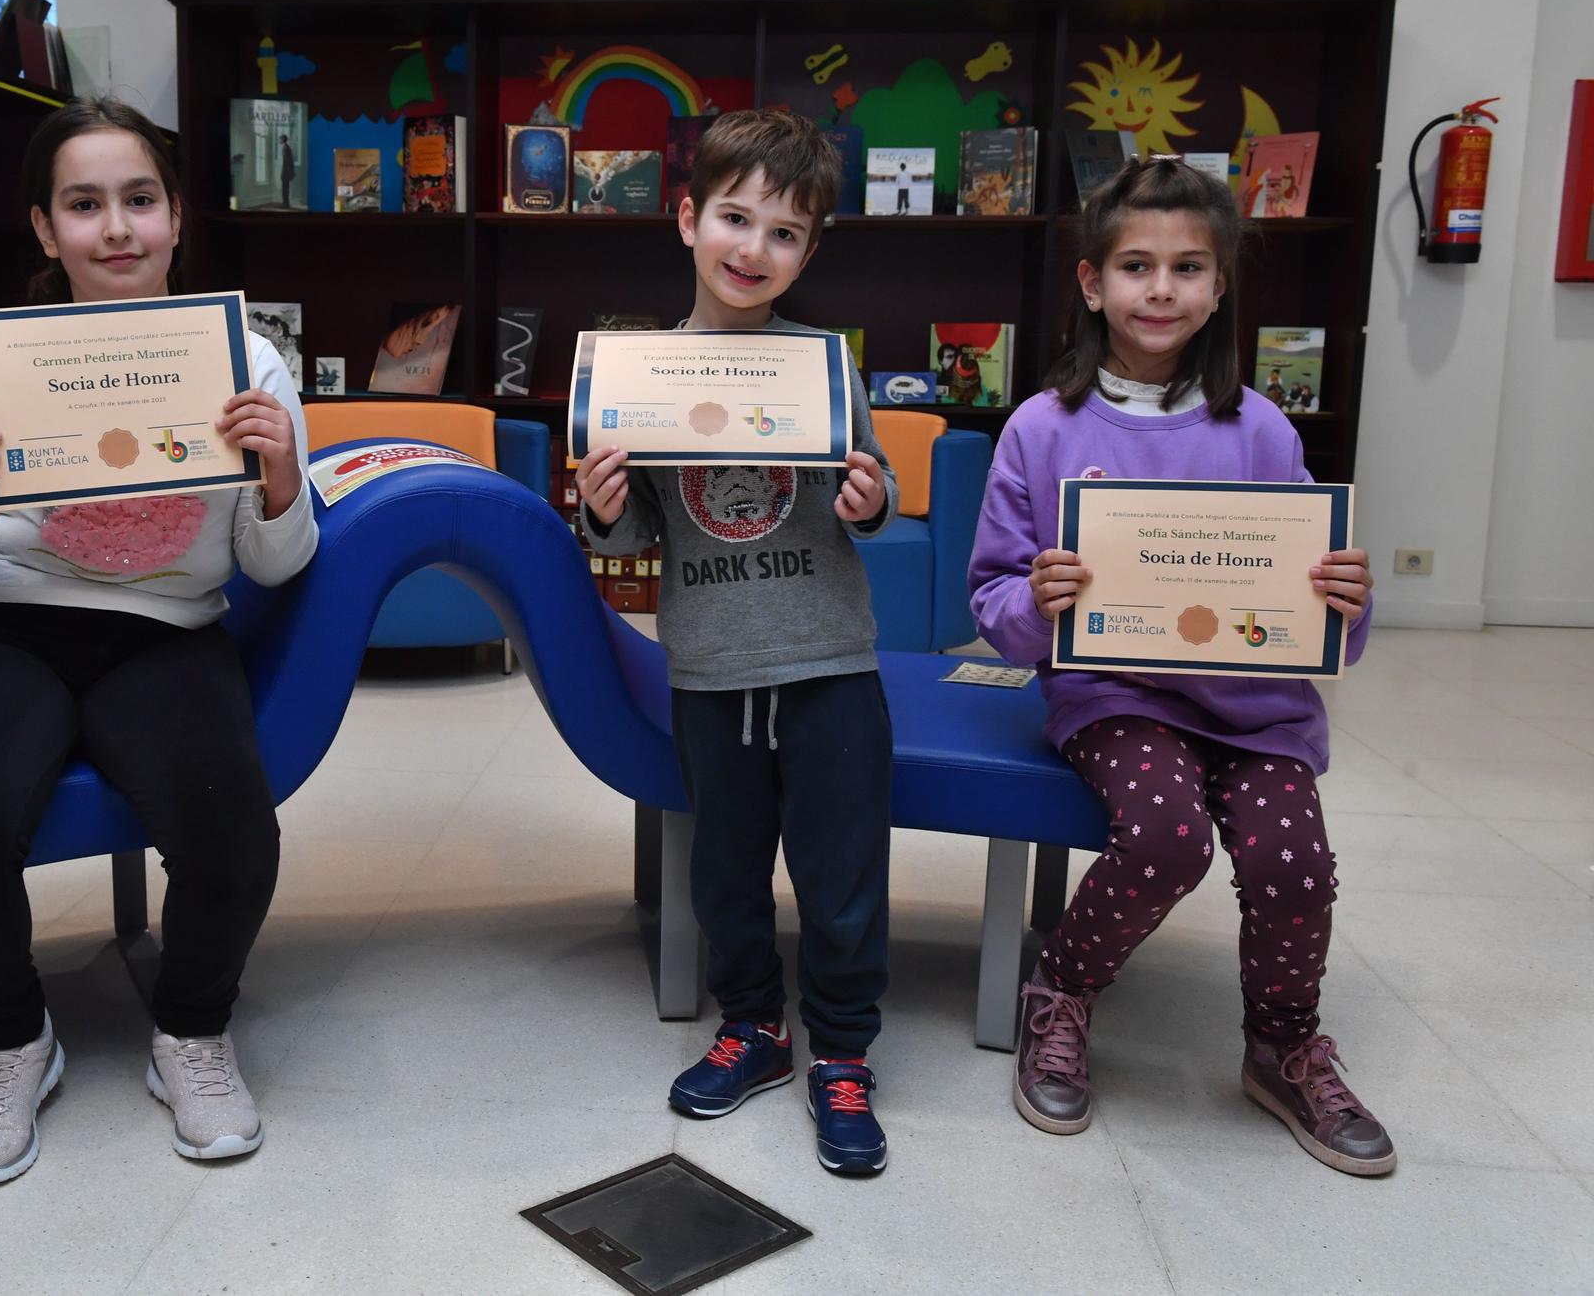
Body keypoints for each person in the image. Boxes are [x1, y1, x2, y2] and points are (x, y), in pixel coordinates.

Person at [0, 96, 317, 1186]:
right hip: (5, 623)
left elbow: (273, 563)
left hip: (164, 631)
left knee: (234, 836)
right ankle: (8, 1040)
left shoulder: (250, 366)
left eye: (138, 200)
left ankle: (191, 1032)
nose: (115, 227)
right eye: (84, 205)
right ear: (46, 230)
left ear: (176, 217)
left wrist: (276, 479)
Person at [966, 157, 1395, 1176]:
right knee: (1164, 838)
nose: (1159, 290)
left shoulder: (1257, 426)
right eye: (1135, 266)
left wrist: (1344, 602)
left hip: (1252, 706)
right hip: (1111, 695)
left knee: (1294, 867)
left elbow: (1316, 622)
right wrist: (1036, 598)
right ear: (1090, 283)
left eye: (1187, 267)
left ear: (1217, 287)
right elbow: (990, 606)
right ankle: (1059, 990)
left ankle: (1281, 1047)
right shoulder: (1040, 427)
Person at [576, 108, 901, 1176]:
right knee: (723, 868)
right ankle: (754, 1028)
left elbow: (868, 490)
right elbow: (633, 532)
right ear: (685, 219)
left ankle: (843, 1053)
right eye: (734, 218)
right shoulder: (638, 375)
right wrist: (601, 501)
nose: (752, 249)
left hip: (829, 664)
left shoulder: (821, 364)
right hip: (711, 668)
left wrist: (867, 499)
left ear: (809, 250)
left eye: (785, 232)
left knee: (841, 869)